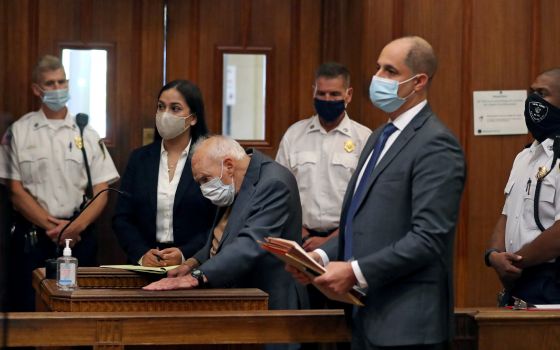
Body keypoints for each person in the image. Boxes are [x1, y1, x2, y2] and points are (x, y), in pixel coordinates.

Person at [288, 36, 466, 349]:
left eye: (390, 71)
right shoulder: (381, 136)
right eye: (377, 68)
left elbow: (428, 238)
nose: (378, 79)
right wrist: (318, 257)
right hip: (367, 316)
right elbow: (363, 224)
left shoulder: (436, 143)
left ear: (419, 81)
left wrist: (355, 272)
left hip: (408, 325)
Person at [0, 55, 119, 311]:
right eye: (50, 84)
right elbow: (14, 189)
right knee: (28, 305)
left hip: (78, 237)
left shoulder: (86, 132)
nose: (57, 89)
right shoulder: (18, 132)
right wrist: (51, 226)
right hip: (33, 236)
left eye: (61, 82)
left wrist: (75, 227)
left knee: (78, 308)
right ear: (36, 89)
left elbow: (102, 190)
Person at [144, 135, 307, 312]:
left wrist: (196, 276)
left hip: (271, 302)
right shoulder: (233, 183)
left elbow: (251, 244)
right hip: (241, 300)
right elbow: (220, 238)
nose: (203, 189)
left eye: (205, 179)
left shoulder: (274, 182)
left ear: (229, 166)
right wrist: (192, 263)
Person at [113, 80, 216, 267]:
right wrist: (142, 254)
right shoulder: (139, 159)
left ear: (193, 118)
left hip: (194, 265)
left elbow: (217, 222)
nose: (165, 114)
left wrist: (185, 254)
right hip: (145, 267)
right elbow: (122, 218)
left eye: (175, 108)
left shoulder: (210, 160)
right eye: (161, 107)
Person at [276, 62, 371, 253]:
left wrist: (331, 240)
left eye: (335, 94)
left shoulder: (364, 138)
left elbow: (367, 199)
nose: (327, 99)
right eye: (322, 93)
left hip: (346, 241)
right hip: (299, 241)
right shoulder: (294, 135)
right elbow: (279, 191)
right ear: (314, 92)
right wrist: (302, 233)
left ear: (348, 95)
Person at [486, 68, 560, 305]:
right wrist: (494, 255)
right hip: (517, 282)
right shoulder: (525, 156)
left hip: (551, 282)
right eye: (531, 92)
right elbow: (507, 214)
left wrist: (514, 261)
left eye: (542, 93)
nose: (533, 100)